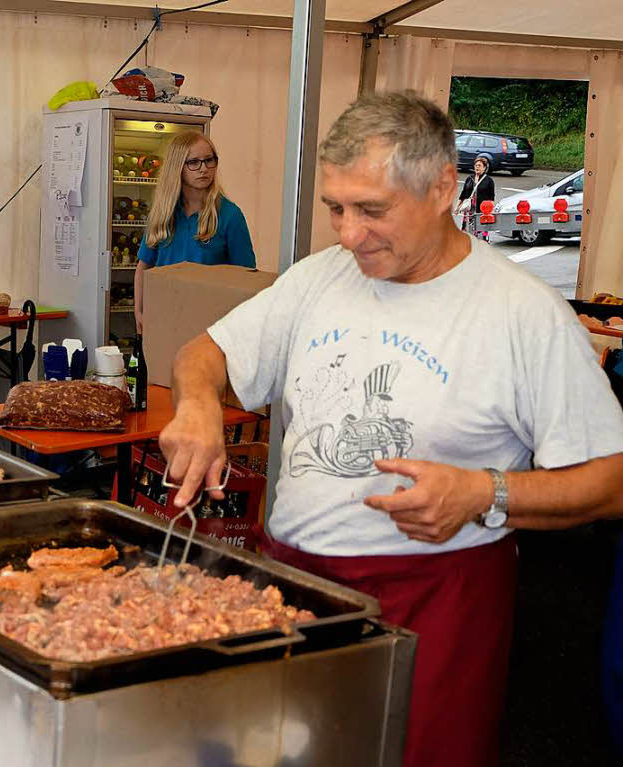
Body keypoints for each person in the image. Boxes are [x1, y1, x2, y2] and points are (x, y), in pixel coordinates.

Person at [158, 92, 623, 767]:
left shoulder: (522, 312)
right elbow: (205, 352)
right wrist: (198, 400)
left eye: (372, 210)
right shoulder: (319, 279)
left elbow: (612, 478)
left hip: (433, 611)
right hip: (294, 592)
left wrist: (486, 493)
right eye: (336, 208)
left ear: (442, 187)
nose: (348, 234)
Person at [133, 131, 255, 333]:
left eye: (209, 160)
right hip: (164, 318)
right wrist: (139, 312)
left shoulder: (230, 215)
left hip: (209, 325)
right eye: (194, 162)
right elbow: (143, 267)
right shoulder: (163, 214)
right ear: (177, 167)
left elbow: (247, 278)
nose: (204, 169)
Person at [456, 156, 496, 240]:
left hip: (481, 212)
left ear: (484, 168)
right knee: (467, 233)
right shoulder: (469, 179)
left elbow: (491, 198)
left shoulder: (489, 181)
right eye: (476, 165)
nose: (477, 167)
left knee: (480, 234)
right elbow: (463, 194)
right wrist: (457, 207)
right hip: (469, 211)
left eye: (479, 166)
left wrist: (490, 212)